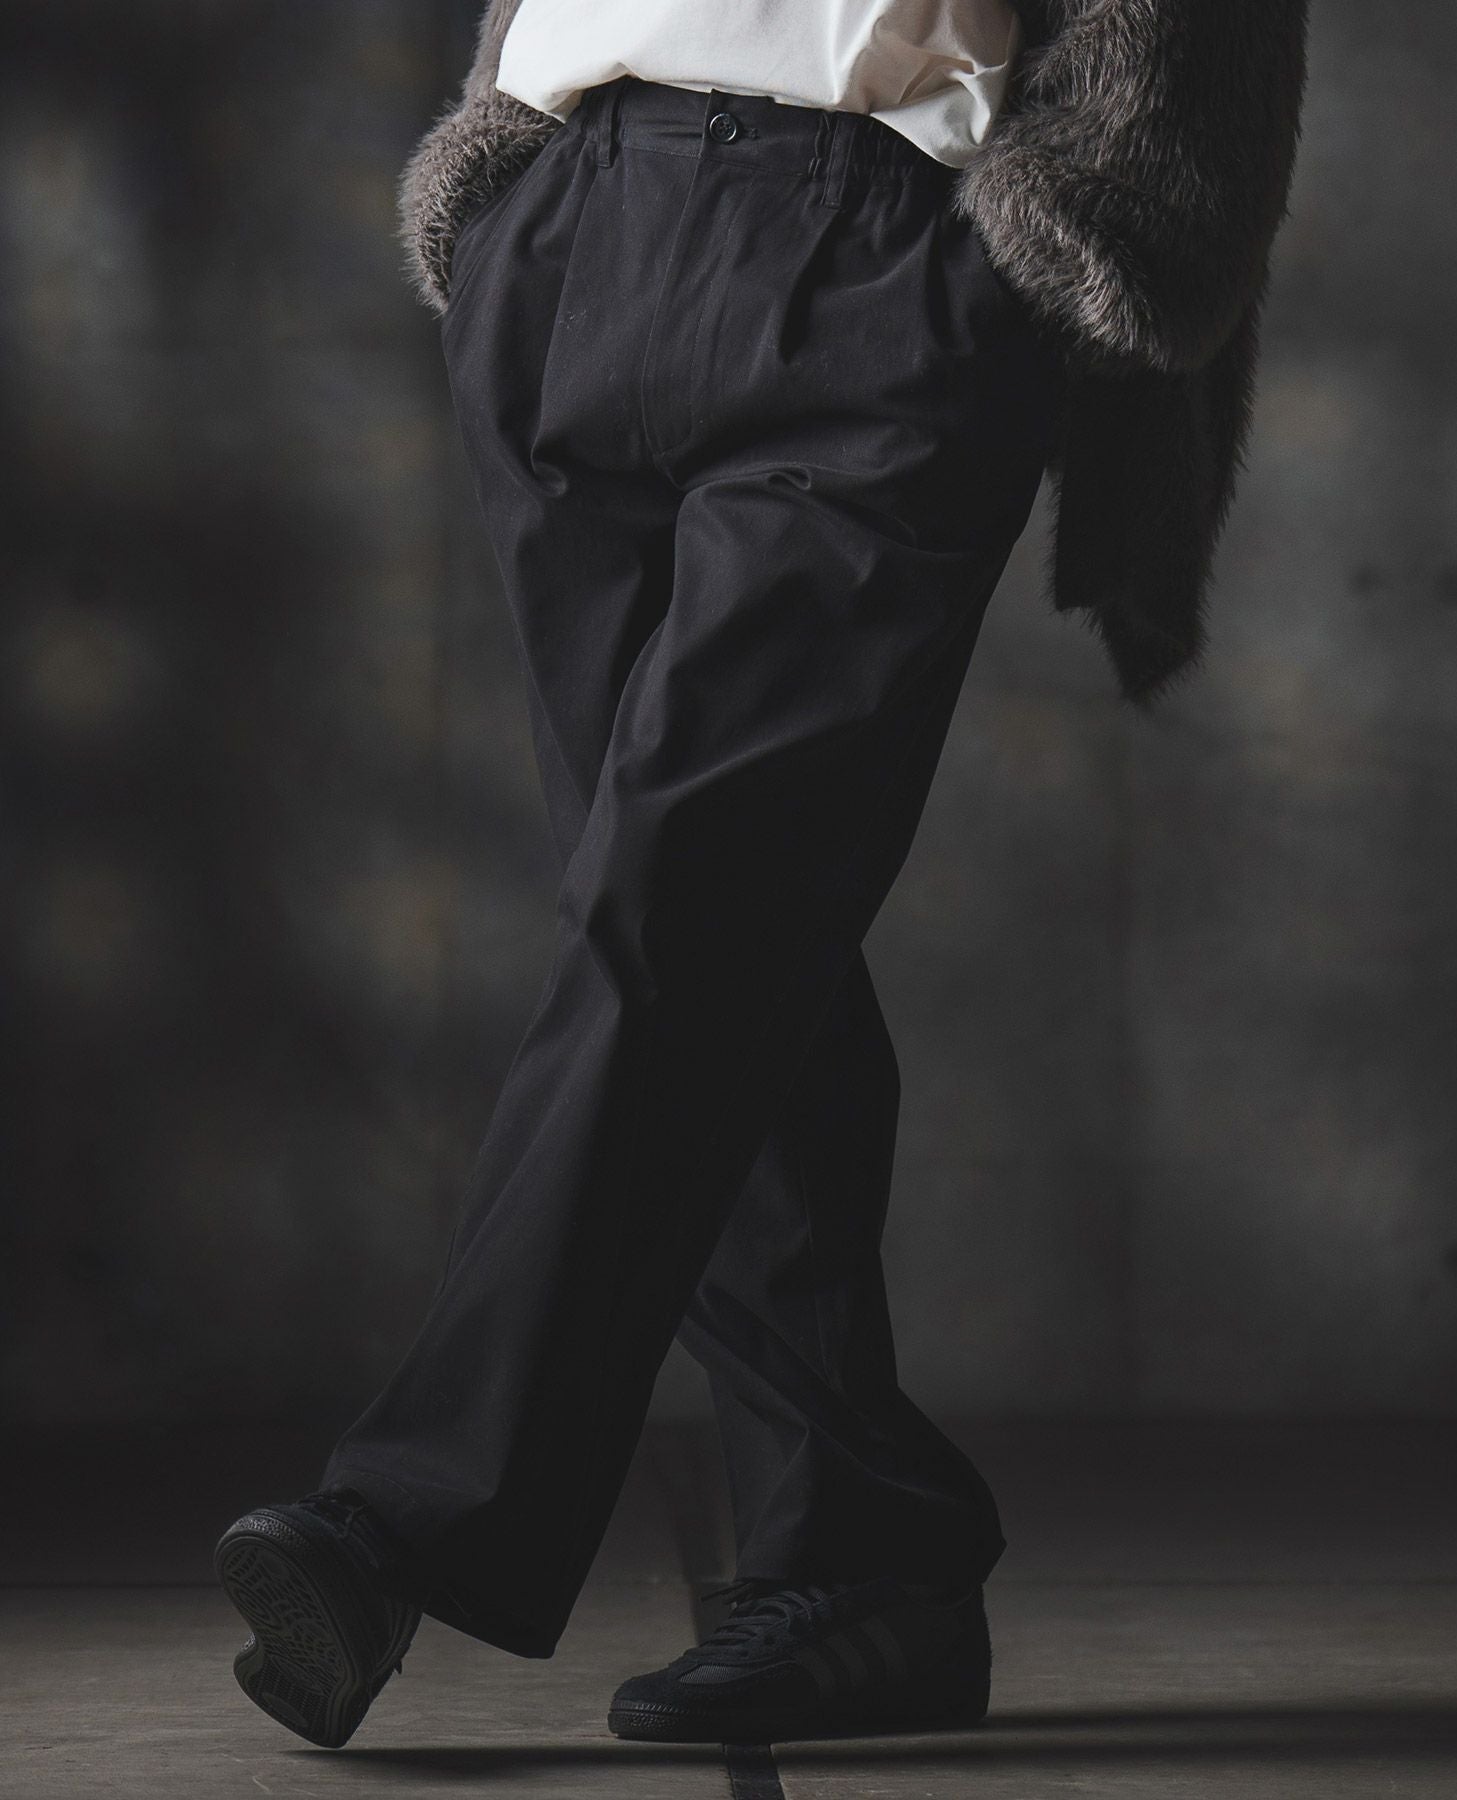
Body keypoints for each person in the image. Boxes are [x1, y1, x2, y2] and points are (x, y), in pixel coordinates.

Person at [214, 0, 1311, 1751]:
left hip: (881, 236)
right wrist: (497, 190)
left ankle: (407, 1517)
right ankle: (866, 1553)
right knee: (720, 943)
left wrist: (1077, 226)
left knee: (684, 909)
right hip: (573, 213)